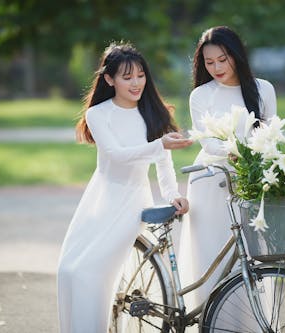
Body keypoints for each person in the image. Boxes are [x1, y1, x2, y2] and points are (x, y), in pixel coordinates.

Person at [57, 42, 192, 333]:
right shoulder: (98, 114)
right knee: (69, 270)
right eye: (127, 77)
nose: (136, 83)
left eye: (141, 75)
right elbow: (116, 154)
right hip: (100, 199)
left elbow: (164, 164)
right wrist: (159, 144)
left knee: (87, 273)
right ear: (109, 79)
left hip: (132, 202)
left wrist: (173, 194)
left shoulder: (153, 113)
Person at [178, 26, 277, 311]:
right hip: (211, 180)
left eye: (223, 59)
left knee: (251, 256)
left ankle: (252, 321)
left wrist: (256, 161)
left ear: (237, 55)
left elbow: (271, 134)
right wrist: (234, 152)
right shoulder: (200, 95)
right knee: (212, 253)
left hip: (251, 179)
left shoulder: (263, 89)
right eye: (209, 62)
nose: (216, 67)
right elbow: (207, 142)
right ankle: (209, 319)